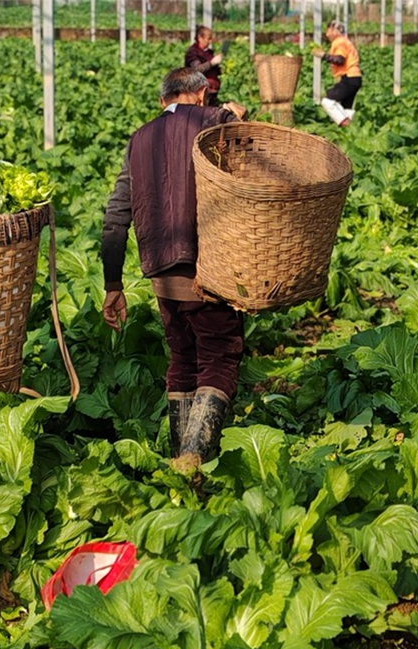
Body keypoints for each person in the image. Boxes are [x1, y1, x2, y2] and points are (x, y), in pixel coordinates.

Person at [101, 68, 247, 471]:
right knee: (219, 357)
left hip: (162, 275)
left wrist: (113, 283)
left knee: (182, 357)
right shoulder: (214, 122)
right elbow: (252, 155)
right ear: (201, 96)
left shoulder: (140, 139)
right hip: (209, 268)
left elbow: (116, 216)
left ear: (162, 101)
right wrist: (236, 113)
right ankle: (194, 457)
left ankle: (178, 461)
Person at [312, 20, 362, 127]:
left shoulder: (339, 42)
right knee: (346, 108)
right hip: (355, 78)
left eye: (328, 30)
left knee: (327, 101)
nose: (327, 33)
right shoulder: (345, 41)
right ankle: (350, 131)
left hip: (349, 77)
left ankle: (346, 124)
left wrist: (323, 55)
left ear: (335, 30)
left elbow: (340, 60)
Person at [184, 26, 224, 107]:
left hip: (212, 91)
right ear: (200, 38)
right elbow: (197, 69)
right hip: (199, 93)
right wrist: (212, 62)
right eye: (208, 38)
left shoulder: (209, 52)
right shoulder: (193, 52)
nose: (210, 41)